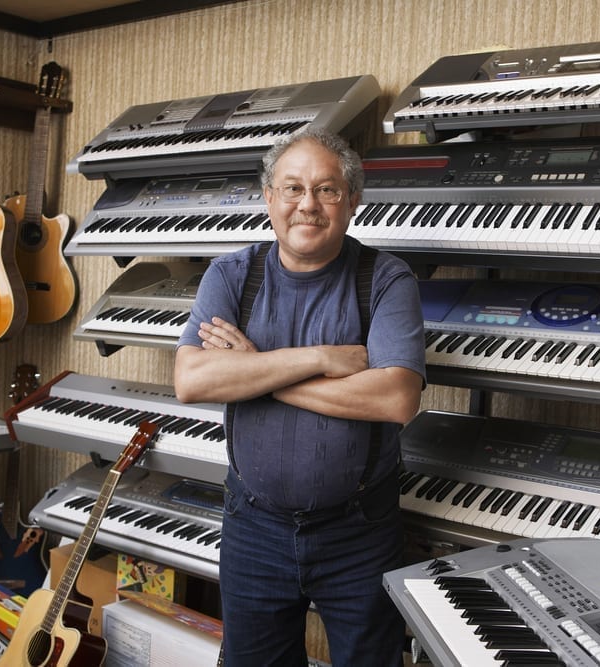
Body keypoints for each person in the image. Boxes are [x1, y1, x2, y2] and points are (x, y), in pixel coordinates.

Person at [174, 127, 426, 666]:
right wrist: (321, 359)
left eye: (326, 190)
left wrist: (256, 369)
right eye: (292, 189)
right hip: (254, 528)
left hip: (359, 534)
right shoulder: (231, 276)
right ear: (269, 197)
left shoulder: (385, 279)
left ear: (352, 200)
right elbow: (192, 380)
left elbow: (396, 398)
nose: (307, 205)